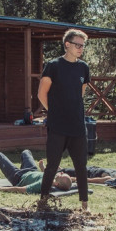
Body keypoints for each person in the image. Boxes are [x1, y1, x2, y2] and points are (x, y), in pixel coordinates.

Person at [38, 29, 91, 211]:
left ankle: (84, 204)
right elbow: (41, 94)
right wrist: (55, 113)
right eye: (77, 45)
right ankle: (43, 202)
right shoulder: (53, 65)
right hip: (57, 126)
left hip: (77, 126)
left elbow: (80, 93)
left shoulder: (83, 67)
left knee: (81, 166)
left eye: (83, 45)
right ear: (67, 44)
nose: (81, 48)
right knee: (52, 165)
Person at [0, 150, 72, 194]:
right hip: (32, 170)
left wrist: (1, 189)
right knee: (26, 152)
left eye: (62, 175)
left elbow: (23, 189)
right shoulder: (55, 178)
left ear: (58, 183)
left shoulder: (43, 184)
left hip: (18, 177)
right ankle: (20, 168)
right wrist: (42, 168)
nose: (62, 172)